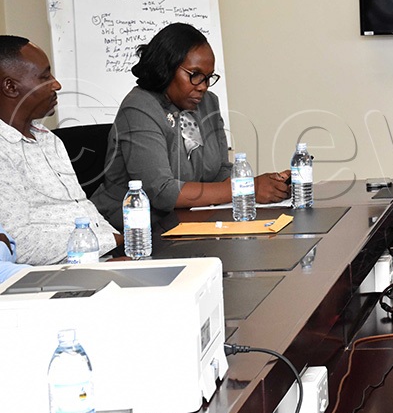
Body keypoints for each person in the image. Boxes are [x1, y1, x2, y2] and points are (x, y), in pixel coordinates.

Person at [92, 23, 289, 230]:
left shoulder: (208, 103)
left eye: (207, 77)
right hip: (132, 231)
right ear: (165, 67)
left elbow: (220, 171)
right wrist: (246, 188)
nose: (203, 86)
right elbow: (161, 192)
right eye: (194, 75)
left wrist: (270, 186)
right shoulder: (139, 108)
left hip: (187, 222)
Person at [0, 36, 118, 264]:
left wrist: (124, 245)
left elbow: (82, 209)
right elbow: (17, 242)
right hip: (59, 274)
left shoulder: (49, 139)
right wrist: (111, 242)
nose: (56, 84)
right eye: (45, 77)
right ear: (11, 87)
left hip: (102, 255)